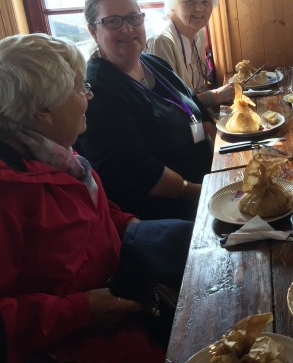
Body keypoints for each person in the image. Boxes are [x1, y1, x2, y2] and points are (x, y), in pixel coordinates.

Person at [0, 33, 186, 362]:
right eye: (79, 88)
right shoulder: (9, 192)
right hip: (74, 339)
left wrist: (126, 223)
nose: (90, 94)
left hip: (117, 293)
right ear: (43, 110)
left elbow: (87, 208)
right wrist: (80, 311)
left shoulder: (54, 152)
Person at [75, 0, 213, 221]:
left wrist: (225, 159)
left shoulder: (152, 63)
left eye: (133, 18)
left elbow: (197, 108)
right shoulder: (96, 90)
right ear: (93, 31)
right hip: (170, 213)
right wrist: (198, 192)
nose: (127, 28)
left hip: (207, 182)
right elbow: (131, 169)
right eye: (112, 21)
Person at [147, 0, 234, 106]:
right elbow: (168, 103)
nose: (199, 8)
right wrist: (214, 96)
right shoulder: (162, 41)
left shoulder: (199, 34)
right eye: (190, 1)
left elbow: (197, 89)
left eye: (206, 1)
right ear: (173, 3)